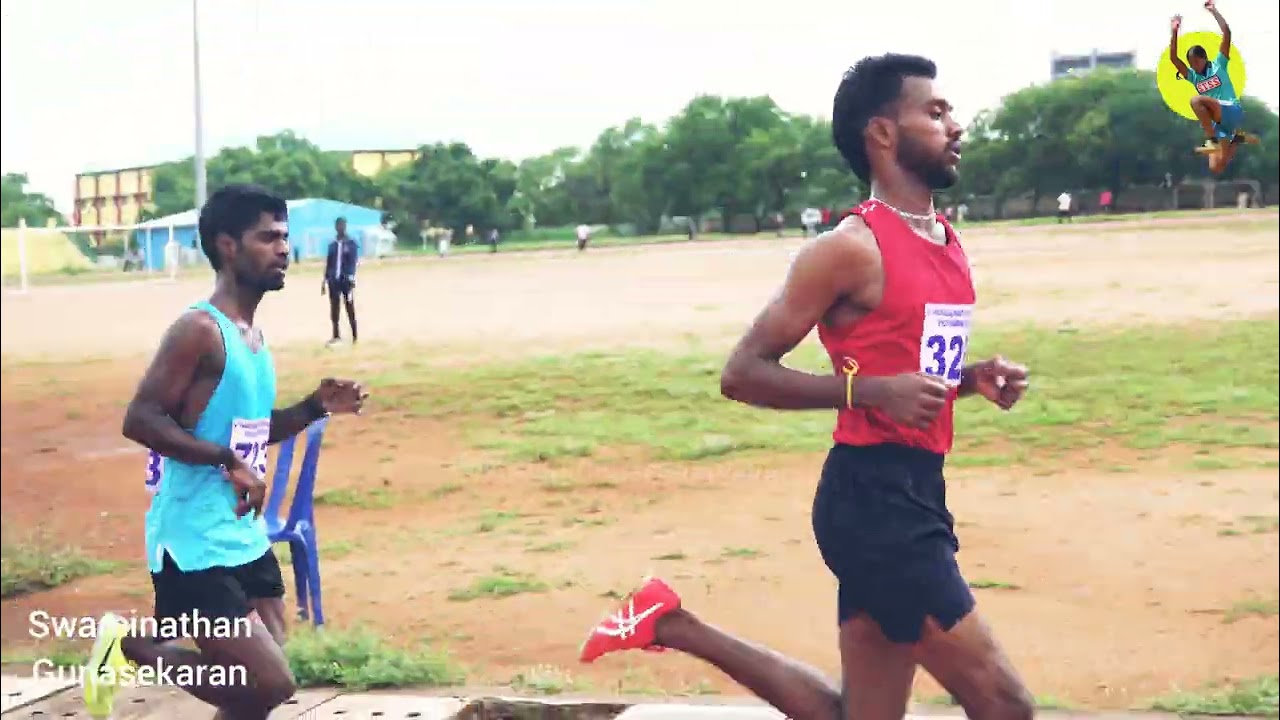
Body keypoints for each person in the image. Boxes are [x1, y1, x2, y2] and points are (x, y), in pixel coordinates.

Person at [577, 54, 1035, 720]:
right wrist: (869, 392)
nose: (955, 126)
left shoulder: (945, 240)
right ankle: (672, 624)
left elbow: (910, 377)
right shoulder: (849, 248)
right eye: (935, 112)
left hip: (917, 488)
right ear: (883, 133)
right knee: (1006, 705)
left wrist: (968, 381)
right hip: (873, 503)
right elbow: (743, 372)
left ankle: (670, 623)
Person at [83, 184, 368, 720]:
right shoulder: (199, 330)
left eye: (284, 236)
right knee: (267, 682)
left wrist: (313, 407)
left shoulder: (251, 337)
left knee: (249, 696)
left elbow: (250, 433)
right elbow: (140, 418)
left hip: (241, 533)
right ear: (228, 245)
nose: (283, 248)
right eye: (268, 237)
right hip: (192, 539)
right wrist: (225, 460)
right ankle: (128, 645)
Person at [1169, 1, 1259, 175]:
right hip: (1217, 123)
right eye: (1191, 63)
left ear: (1204, 58)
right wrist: (1174, 31)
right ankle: (1237, 139)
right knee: (1216, 166)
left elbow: (1227, 33)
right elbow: (1174, 58)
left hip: (1230, 110)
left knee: (1196, 100)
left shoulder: (1219, 64)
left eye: (1196, 62)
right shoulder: (1193, 76)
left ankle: (1211, 140)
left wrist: (1213, 11)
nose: (1194, 66)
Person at [322, 217, 359, 346]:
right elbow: (328, 263)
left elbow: (353, 262)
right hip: (334, 280)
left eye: (342, 225)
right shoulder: (332, 245)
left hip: (346, 280)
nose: (340, 228)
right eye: (338, 225)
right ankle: (336, 335)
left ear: (345, 226)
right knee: (334, 308)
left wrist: (351, 277)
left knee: (349, 306)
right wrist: (325, 280)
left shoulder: (351, 243)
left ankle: (355, 336)